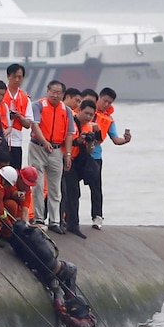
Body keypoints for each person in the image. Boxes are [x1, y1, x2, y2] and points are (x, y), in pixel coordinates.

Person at [29, 80, 75, 235]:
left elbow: (70, 134)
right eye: (52, 92)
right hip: (37, 147)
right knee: (38, 184)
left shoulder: (67, 111)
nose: (55, 95)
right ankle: (39, 218)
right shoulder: (38, 105)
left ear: (63, 94)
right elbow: (35, 124)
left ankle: (55, 221)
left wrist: (67, 154)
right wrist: (44, 141)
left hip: (56, 150)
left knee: (55, 188)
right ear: (47, 91)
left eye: (58, 93)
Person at [89, 87, 132, 230]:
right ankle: (66, 217)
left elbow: (115, 139)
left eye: (109, 102)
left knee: (96, 188)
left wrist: (125, 140)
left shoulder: (109, 119)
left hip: (95, 155)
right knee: (70, 188)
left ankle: (97, 217)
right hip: (79, 153)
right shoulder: (86, 110)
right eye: (104, 100)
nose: (106, 104)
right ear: (98, 97)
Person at [61, 99, 99, 239]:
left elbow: (89, 150)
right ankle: (67, 222)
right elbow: (64, 140)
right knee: (68, 192)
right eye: (86, 113)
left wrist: (90, 142)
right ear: (79, 110)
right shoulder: (70, 121)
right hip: (65, 159)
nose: (88, 117)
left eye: (91, 115)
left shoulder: (89, 126)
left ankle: (71, 223)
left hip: (79, 161)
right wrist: (78, 141)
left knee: (75, 193)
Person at [2, 63, 33, 170]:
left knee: (16, 173)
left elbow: (28, 124)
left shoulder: (25, 98)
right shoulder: (0, 94)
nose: (17, 79)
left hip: (16, 142)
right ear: (8, 76)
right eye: (14, 76)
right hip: (1, 139)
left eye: (20, 77)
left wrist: (20, 117)